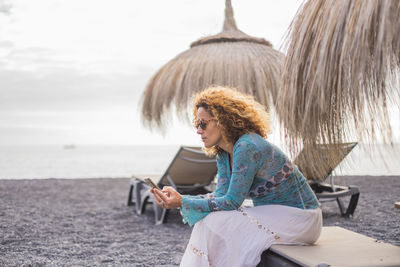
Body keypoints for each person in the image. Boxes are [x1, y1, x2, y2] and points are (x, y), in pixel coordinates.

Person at [151, 86, 322, 267]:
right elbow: (220, 196)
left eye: (203, 123)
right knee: (211, 219)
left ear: (223, 121)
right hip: (275, 213)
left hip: (302, 218)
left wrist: (183, 202)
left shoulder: (247, 146)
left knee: (216, 220)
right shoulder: (224, 153)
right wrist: (182, 198)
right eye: (197, 123)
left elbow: (232, 202)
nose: (198, 130)